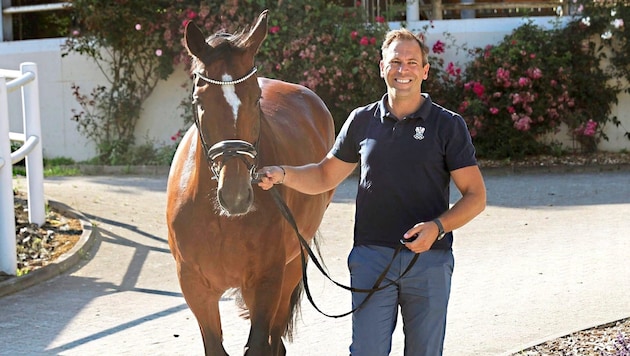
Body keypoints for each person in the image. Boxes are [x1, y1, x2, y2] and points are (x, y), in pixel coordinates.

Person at [257, 28, 486, 356]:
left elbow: (475, 196)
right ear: (382, 67)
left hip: (429, 261)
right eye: (395, 62)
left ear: (424, 71)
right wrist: (282, 174)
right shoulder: (361, 121)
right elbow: (324, 174)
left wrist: (437, 227)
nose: (402, 70)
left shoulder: (447, 125)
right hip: (371, 259)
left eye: (411, 62)